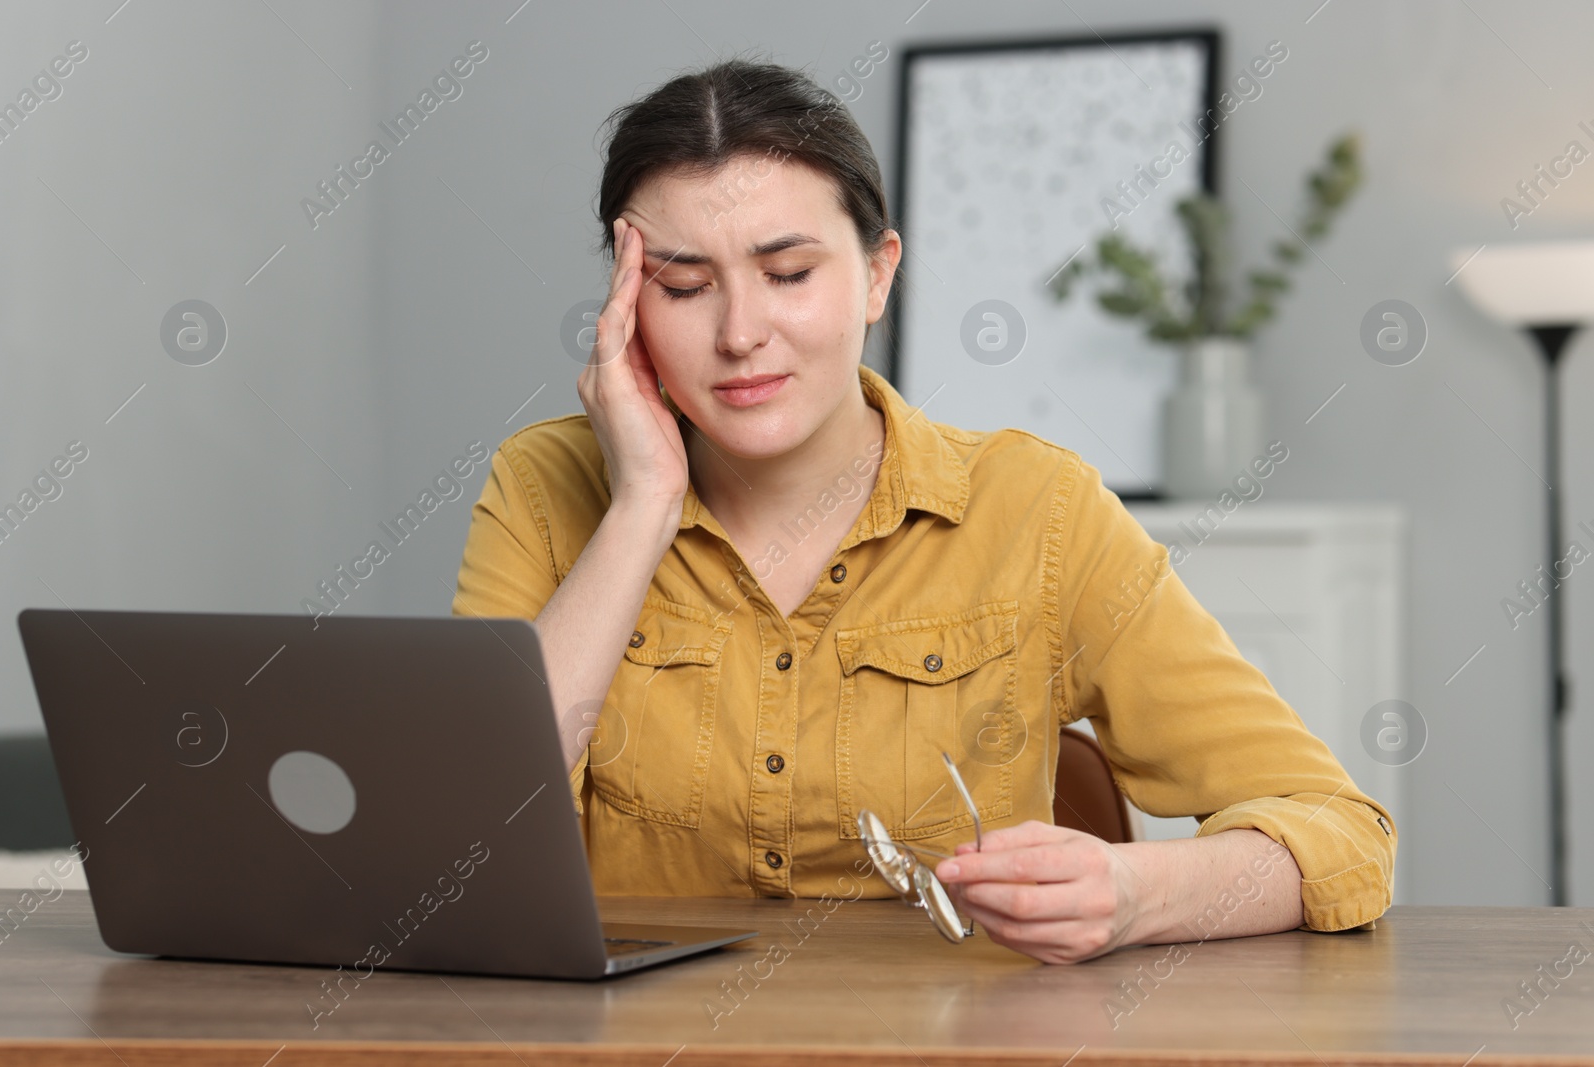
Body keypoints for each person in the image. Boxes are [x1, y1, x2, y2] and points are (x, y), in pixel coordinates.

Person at [452, 56, 1396, 965]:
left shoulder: (1039, 510)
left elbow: (1341, 834)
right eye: (685, 286)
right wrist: (642, 503)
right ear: (625, 305)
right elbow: (460, 848)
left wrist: (1135, 892)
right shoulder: (542, 487)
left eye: (788, 275)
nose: (740, 334)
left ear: (876, 274)